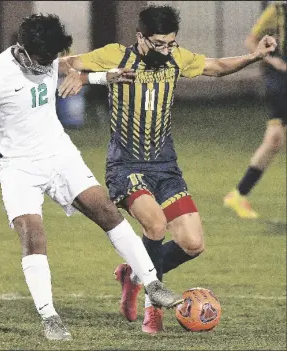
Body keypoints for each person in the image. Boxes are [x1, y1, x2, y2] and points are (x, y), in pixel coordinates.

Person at [0, 14, 184, 342]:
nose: (48, 64)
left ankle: (153, 284)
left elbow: (63, 67)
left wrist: (107, 77)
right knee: (33, 234)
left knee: (106, 210)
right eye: (43, 58)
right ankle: (50, 316)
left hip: (59, 155)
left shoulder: (45, 57)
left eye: (51, 57)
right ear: (25, 50)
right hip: (17, 166)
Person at [59, 4, 277, 334]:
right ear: (140, 37)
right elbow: (64, 65)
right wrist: (75, 70)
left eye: (170, 43)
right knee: (156, 224)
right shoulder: (115, 56)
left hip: (166, 167)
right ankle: (154, 309)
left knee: (193, 243)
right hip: (126, 166)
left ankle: (132, 275)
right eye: (158, 43)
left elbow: (216, 67)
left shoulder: (177, 57)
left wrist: (255, 57)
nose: (165, 50)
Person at [224, 1, 286, 219]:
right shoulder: (277, 10)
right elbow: (251, 41)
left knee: (274, 141)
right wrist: (273, 61)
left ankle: (239, 194)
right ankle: (239, 194)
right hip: (282, 83)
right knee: (275, 139)